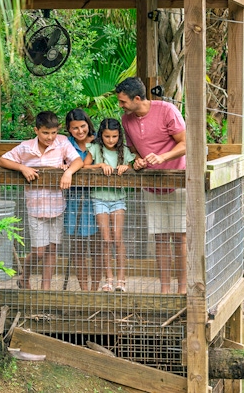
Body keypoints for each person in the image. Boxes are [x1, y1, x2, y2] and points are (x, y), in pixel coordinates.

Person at [115, 77, 187, 294]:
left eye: (123, 101)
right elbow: (134, 148)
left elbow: (186, 142)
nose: (121, 106)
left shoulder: (167, 110)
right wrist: (137, 159)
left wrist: (163, 157)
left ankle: (182, 289)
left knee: (180, 236)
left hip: (178, 181)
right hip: (151, 185)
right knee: (160, 237)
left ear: (137, 98)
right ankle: (165, 289)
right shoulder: (126, 120)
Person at [0, 111, 83, 290]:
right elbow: (1, 160)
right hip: (35, 207)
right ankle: (24, 276)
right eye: (45, 133)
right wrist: (22, 167)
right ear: (36, 130)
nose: (50, 137)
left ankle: (46, 288)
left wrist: (68, 172)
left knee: (52, 248)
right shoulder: (26, 147)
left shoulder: (62, 142)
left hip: (57, 206)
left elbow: (77, 161)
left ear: (58, 130)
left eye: (53, 133)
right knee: (39, 251)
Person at [84, 118, 136, 292]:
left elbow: (132, 165)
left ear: (119, 136)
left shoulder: (124, 151)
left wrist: (125, 167)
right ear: (101, 135)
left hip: (118, 199)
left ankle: (121, 279)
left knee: (117, 237)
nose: (111, 140)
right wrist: (99, 165)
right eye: (107, 136)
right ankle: (109, 278)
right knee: (106, 239)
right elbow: (84, 167)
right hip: (99, 198)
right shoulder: (95, 149)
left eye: (114, 136)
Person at [63, 108, 101, 291]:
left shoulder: (99, 141)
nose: (80, 131)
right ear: (69, 129)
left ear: (88, 124)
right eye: (75, 128)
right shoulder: (65, 143)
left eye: (83, 126)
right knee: (77, 248)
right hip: (74, 199)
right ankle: (84, 290)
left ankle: (95, 289)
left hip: (96, 197)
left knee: (97, 247)